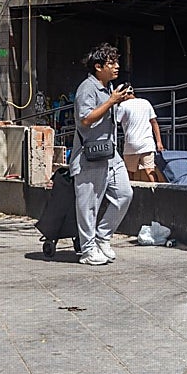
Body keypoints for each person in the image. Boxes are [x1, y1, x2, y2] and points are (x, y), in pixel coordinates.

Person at [70, 44, 134, 267]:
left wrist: (119, 100)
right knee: (89, 205)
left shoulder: (109, 88)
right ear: (98, 67)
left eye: (116, 62)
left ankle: (102, 237)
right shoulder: (87, 89)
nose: (117, 66)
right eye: (111, 63)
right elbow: (85, 119)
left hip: (110, 152)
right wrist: (111, 102)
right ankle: (87, 250)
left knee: (124, 194)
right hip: (90, 154)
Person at [117, 92, 165, 182]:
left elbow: (115, 121)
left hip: (131, 144)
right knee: (150, 170)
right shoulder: (146, 102)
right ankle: (157, 193)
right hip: (147, 143)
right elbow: (154, 122)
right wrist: (159, 142)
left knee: (129, 173)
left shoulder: (123, 105)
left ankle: (131, 195)